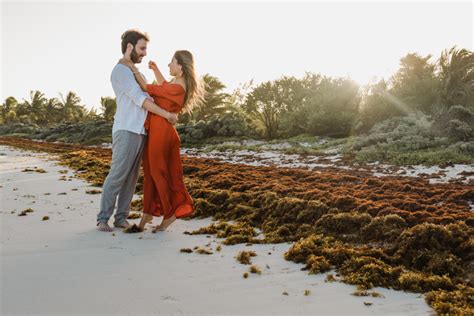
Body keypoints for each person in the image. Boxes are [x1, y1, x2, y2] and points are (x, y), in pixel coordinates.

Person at [96, 29, 179, 232]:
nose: (144, 53)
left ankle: (121, 218)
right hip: (126, 129)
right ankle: (103, 218)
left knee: (131, 177)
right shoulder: (120, 71)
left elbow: (151, 96)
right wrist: (167, 115)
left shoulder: (136, 72)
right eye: (142, 49)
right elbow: (141, 100)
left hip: (140, 131)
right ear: (130, 47)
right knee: (118, 174)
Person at [120, 50, 203, 232]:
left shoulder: (177, 88)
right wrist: (156, 69)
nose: (169, 65)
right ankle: (148, 213)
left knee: (159, 174)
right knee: (151, 172)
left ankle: (170, 213)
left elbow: (147, 88)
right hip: (159, 131)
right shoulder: (176, 85)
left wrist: (131, 66)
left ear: (180, 66)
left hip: (162, 133)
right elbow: (163, 84)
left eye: (171, 62)